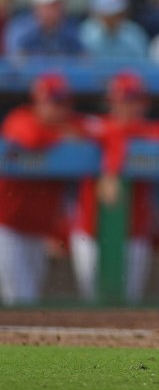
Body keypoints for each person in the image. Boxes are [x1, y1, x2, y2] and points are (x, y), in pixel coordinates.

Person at [70, 71, 159, 303]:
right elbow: (100, 130)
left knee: (129, 303)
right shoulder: (96, 126)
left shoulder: (150, 131)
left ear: (144, 103)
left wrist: (111, 171)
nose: (127, 106)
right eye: (122, 100)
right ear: (111, 102)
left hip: (135, 231)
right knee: (91, 300)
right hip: (90, 230)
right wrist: (112, 170)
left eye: (133, 100)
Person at [0, 73, 85, 304]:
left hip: (39, 231)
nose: (59, 109)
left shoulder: (73, 124)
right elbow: (30, 138)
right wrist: (60, 136)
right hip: (8, 228)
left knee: (29, 298)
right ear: (38, 101)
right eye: (53, 102)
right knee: (20, 299)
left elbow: (96, 131)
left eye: (63, 103)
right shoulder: (20, 118)